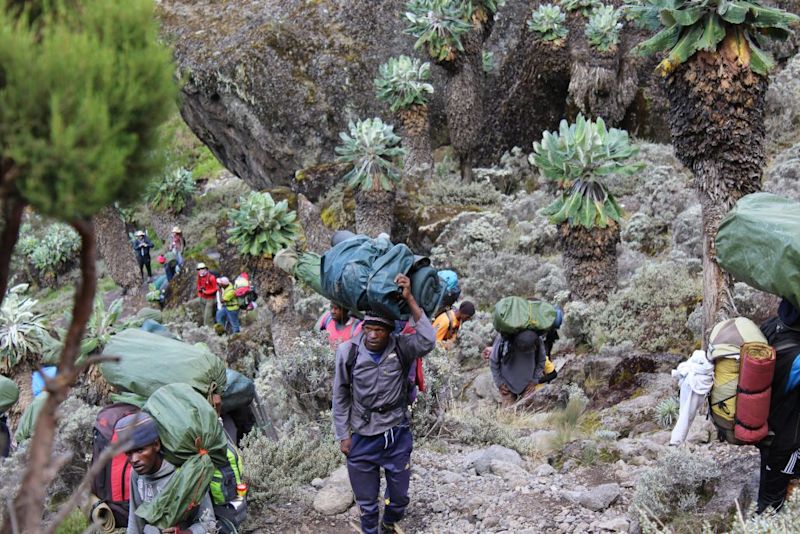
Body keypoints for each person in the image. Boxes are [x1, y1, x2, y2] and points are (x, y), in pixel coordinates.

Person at [332, 274, 436, 534]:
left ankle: (390, 522)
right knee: (367, 504)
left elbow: (428, 340)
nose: (374, 335)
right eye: (370, 329)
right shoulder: (349, 352)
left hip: (396, 432)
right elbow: (340, 395)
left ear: (390, 331)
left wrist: (410, 299)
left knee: (399, 498)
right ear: (363, 328)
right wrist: (343, 435)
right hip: (362, 435)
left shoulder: (401, 347)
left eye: (380, 330)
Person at [115, 412, 216, 534]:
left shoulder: (186, 472)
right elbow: (135, 522)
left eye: (140, 450)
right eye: (128, 453)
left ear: (156, 445)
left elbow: (209, 523)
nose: (134, 459)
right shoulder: (136, 474)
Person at [756, 299, 800, 513]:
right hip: (786, 439)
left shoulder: (772, 326)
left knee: (767, 479)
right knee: (772, 502)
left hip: (764, 422)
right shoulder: (797, 358)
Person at [488, 329, 546, 408]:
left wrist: (535, 380)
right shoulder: (504, 338)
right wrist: (500, 383)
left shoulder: (537, 340)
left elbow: (541, 360)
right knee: (508, 417)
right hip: (506, 387)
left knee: (528, 416)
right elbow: (493, 361)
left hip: (528, 387)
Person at [196, 263, 218, 328]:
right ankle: (209, 327)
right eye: (199, 269)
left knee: (208, 316)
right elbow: (198, 285)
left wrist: (206, 292)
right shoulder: (199, 276)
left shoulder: (211, 278)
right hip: (202, 298)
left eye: (202, 269)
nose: (201, 270)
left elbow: (215, 288)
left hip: (210, 299)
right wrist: (200, 291)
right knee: (204, 315)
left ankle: (211, 329)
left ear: (206, 269)